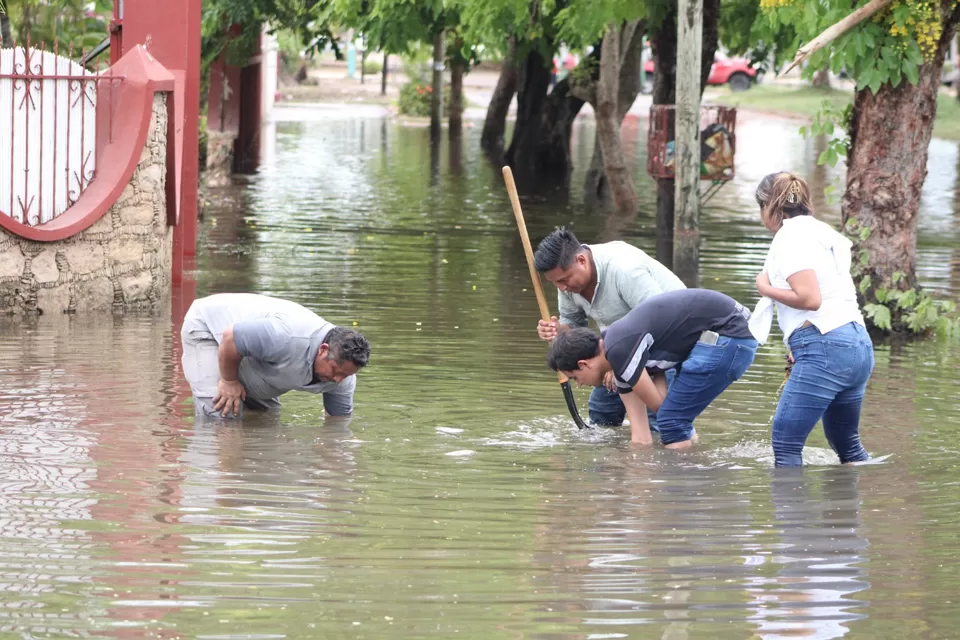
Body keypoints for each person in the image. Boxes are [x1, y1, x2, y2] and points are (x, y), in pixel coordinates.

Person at [753, 172, 873, 467]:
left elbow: (810, 299)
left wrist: (764, 288)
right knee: (849, 447)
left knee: (786, 445)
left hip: (825, 345)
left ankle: (792, 514)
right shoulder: (821, 231)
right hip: (857, 344)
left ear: (771, 207)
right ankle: (856, 508)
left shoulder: (790, 237)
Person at [546, 288, 758, 447]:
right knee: (673, 419)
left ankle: (684, 490)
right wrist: (637, 477)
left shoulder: (620, 350)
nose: (580, 385)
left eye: (575, 378)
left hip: (730, 335)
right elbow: (640, 436)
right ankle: (689, 468)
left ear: (583, 364)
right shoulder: (620, 358)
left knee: (672, 421)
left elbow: (661, 409)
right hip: (721, 338)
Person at [533, 227, 685, 429]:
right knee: (601, 413)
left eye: (564, 280)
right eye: (555, 283)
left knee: (660, 423)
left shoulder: (624, 270)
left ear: (581, 260)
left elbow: (660, 323)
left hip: (668, 344)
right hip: (618, 350)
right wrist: (559, 331)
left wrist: (621, 363)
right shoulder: (568, 284)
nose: (562, 288)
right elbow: (575, 326)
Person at [180, 293, 370, 419]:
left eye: (345, 375)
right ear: (323, 350)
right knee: (222, 415)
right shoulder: (285, 335)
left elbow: (338, 424)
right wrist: (229, 381)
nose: (337, 380)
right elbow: (230, 339)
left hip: (248, 349)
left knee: (268, 417)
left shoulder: (343, 378)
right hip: (208, 330)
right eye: (336, 371)